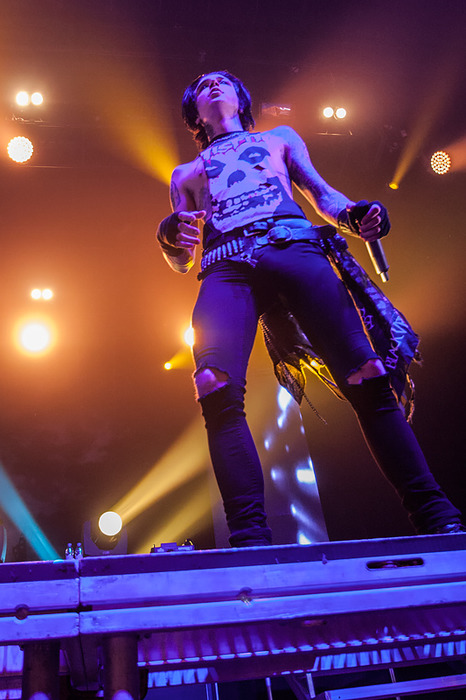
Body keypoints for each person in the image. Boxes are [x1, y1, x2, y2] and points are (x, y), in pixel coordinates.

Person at [156, 70, 463, 547]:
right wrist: (170, 236)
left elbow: (322, 195)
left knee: (367, 373)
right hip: (226, 264)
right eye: (201, 85)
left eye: (223, 81)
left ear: (241, 97)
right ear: (194, 113)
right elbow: (182, 260)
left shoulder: (279, 138)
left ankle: (436, 515)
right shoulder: (186, 174)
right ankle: (250, 538)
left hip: (293, 245)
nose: (213, 84)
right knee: (214, 384)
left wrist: (354, 215)